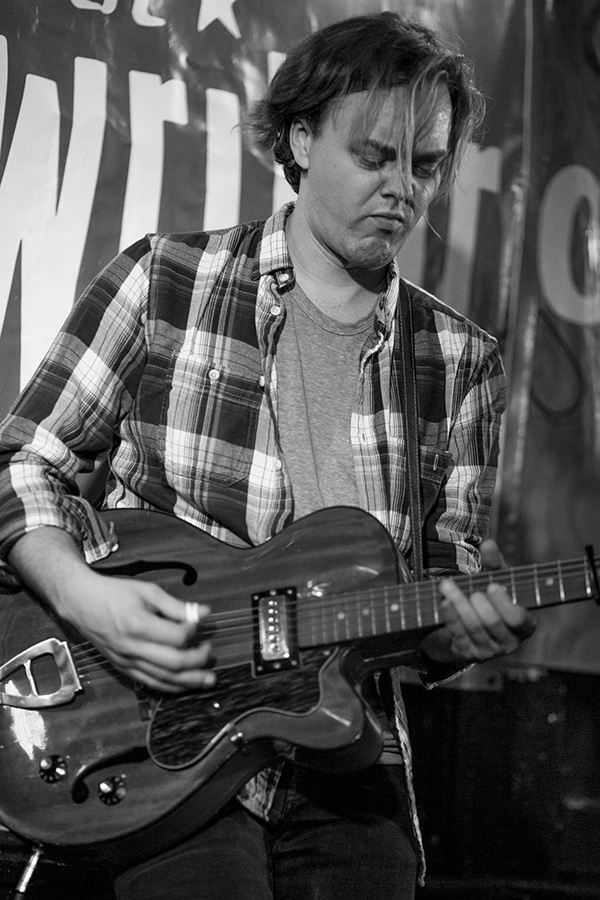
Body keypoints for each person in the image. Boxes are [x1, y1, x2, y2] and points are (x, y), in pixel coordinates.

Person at [0, 11, 535, 900]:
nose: (402, 189)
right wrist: (86, 597)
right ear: (301, 138)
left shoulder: (461, 360)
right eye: (374, 156)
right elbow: (22, 460)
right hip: (156, 733)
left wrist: (466, 630)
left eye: (426, 164)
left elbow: (437, 599)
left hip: (345, 752)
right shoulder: (166, 279)